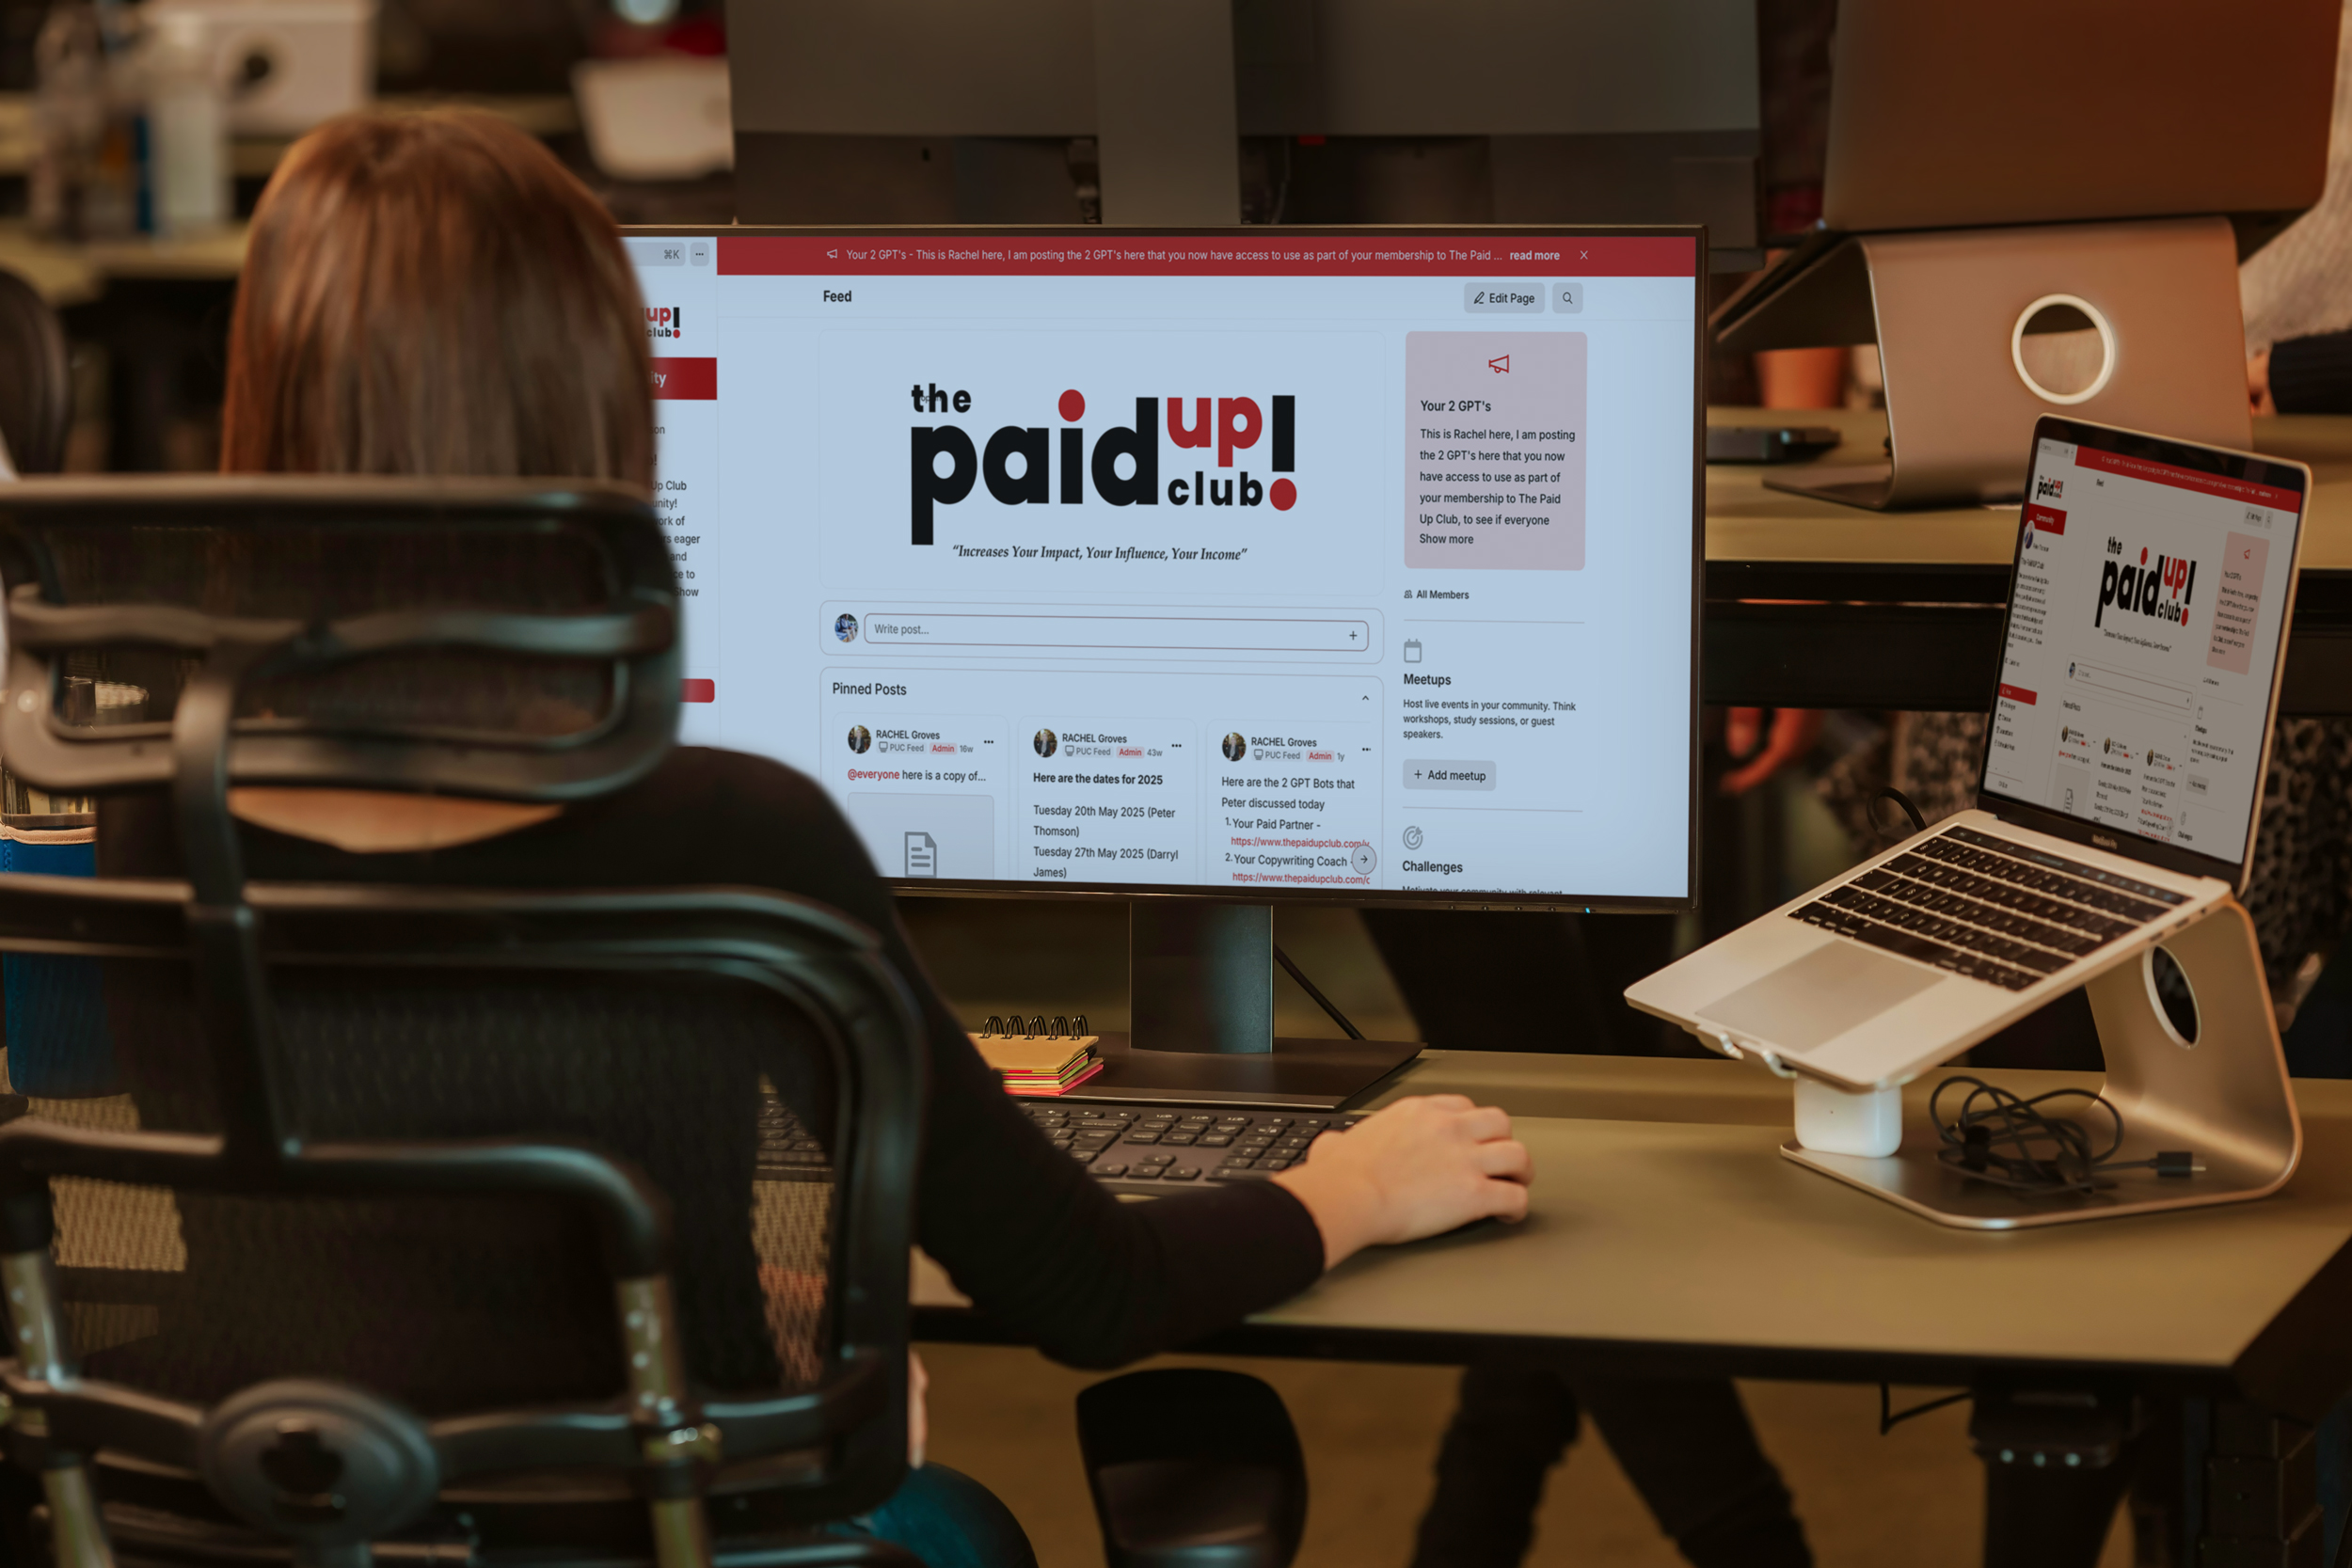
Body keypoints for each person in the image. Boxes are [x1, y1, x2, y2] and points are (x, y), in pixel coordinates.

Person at [89, 110, 1535, 1568]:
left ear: (261, 405)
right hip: (639, 1527)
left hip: (256, 1523)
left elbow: (342, 1241)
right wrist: (1346, 1188)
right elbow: (1090, 1291)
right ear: (596, 409)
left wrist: (756, 1317)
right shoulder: (727, 836)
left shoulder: (127, 814)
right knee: (955, 1529)